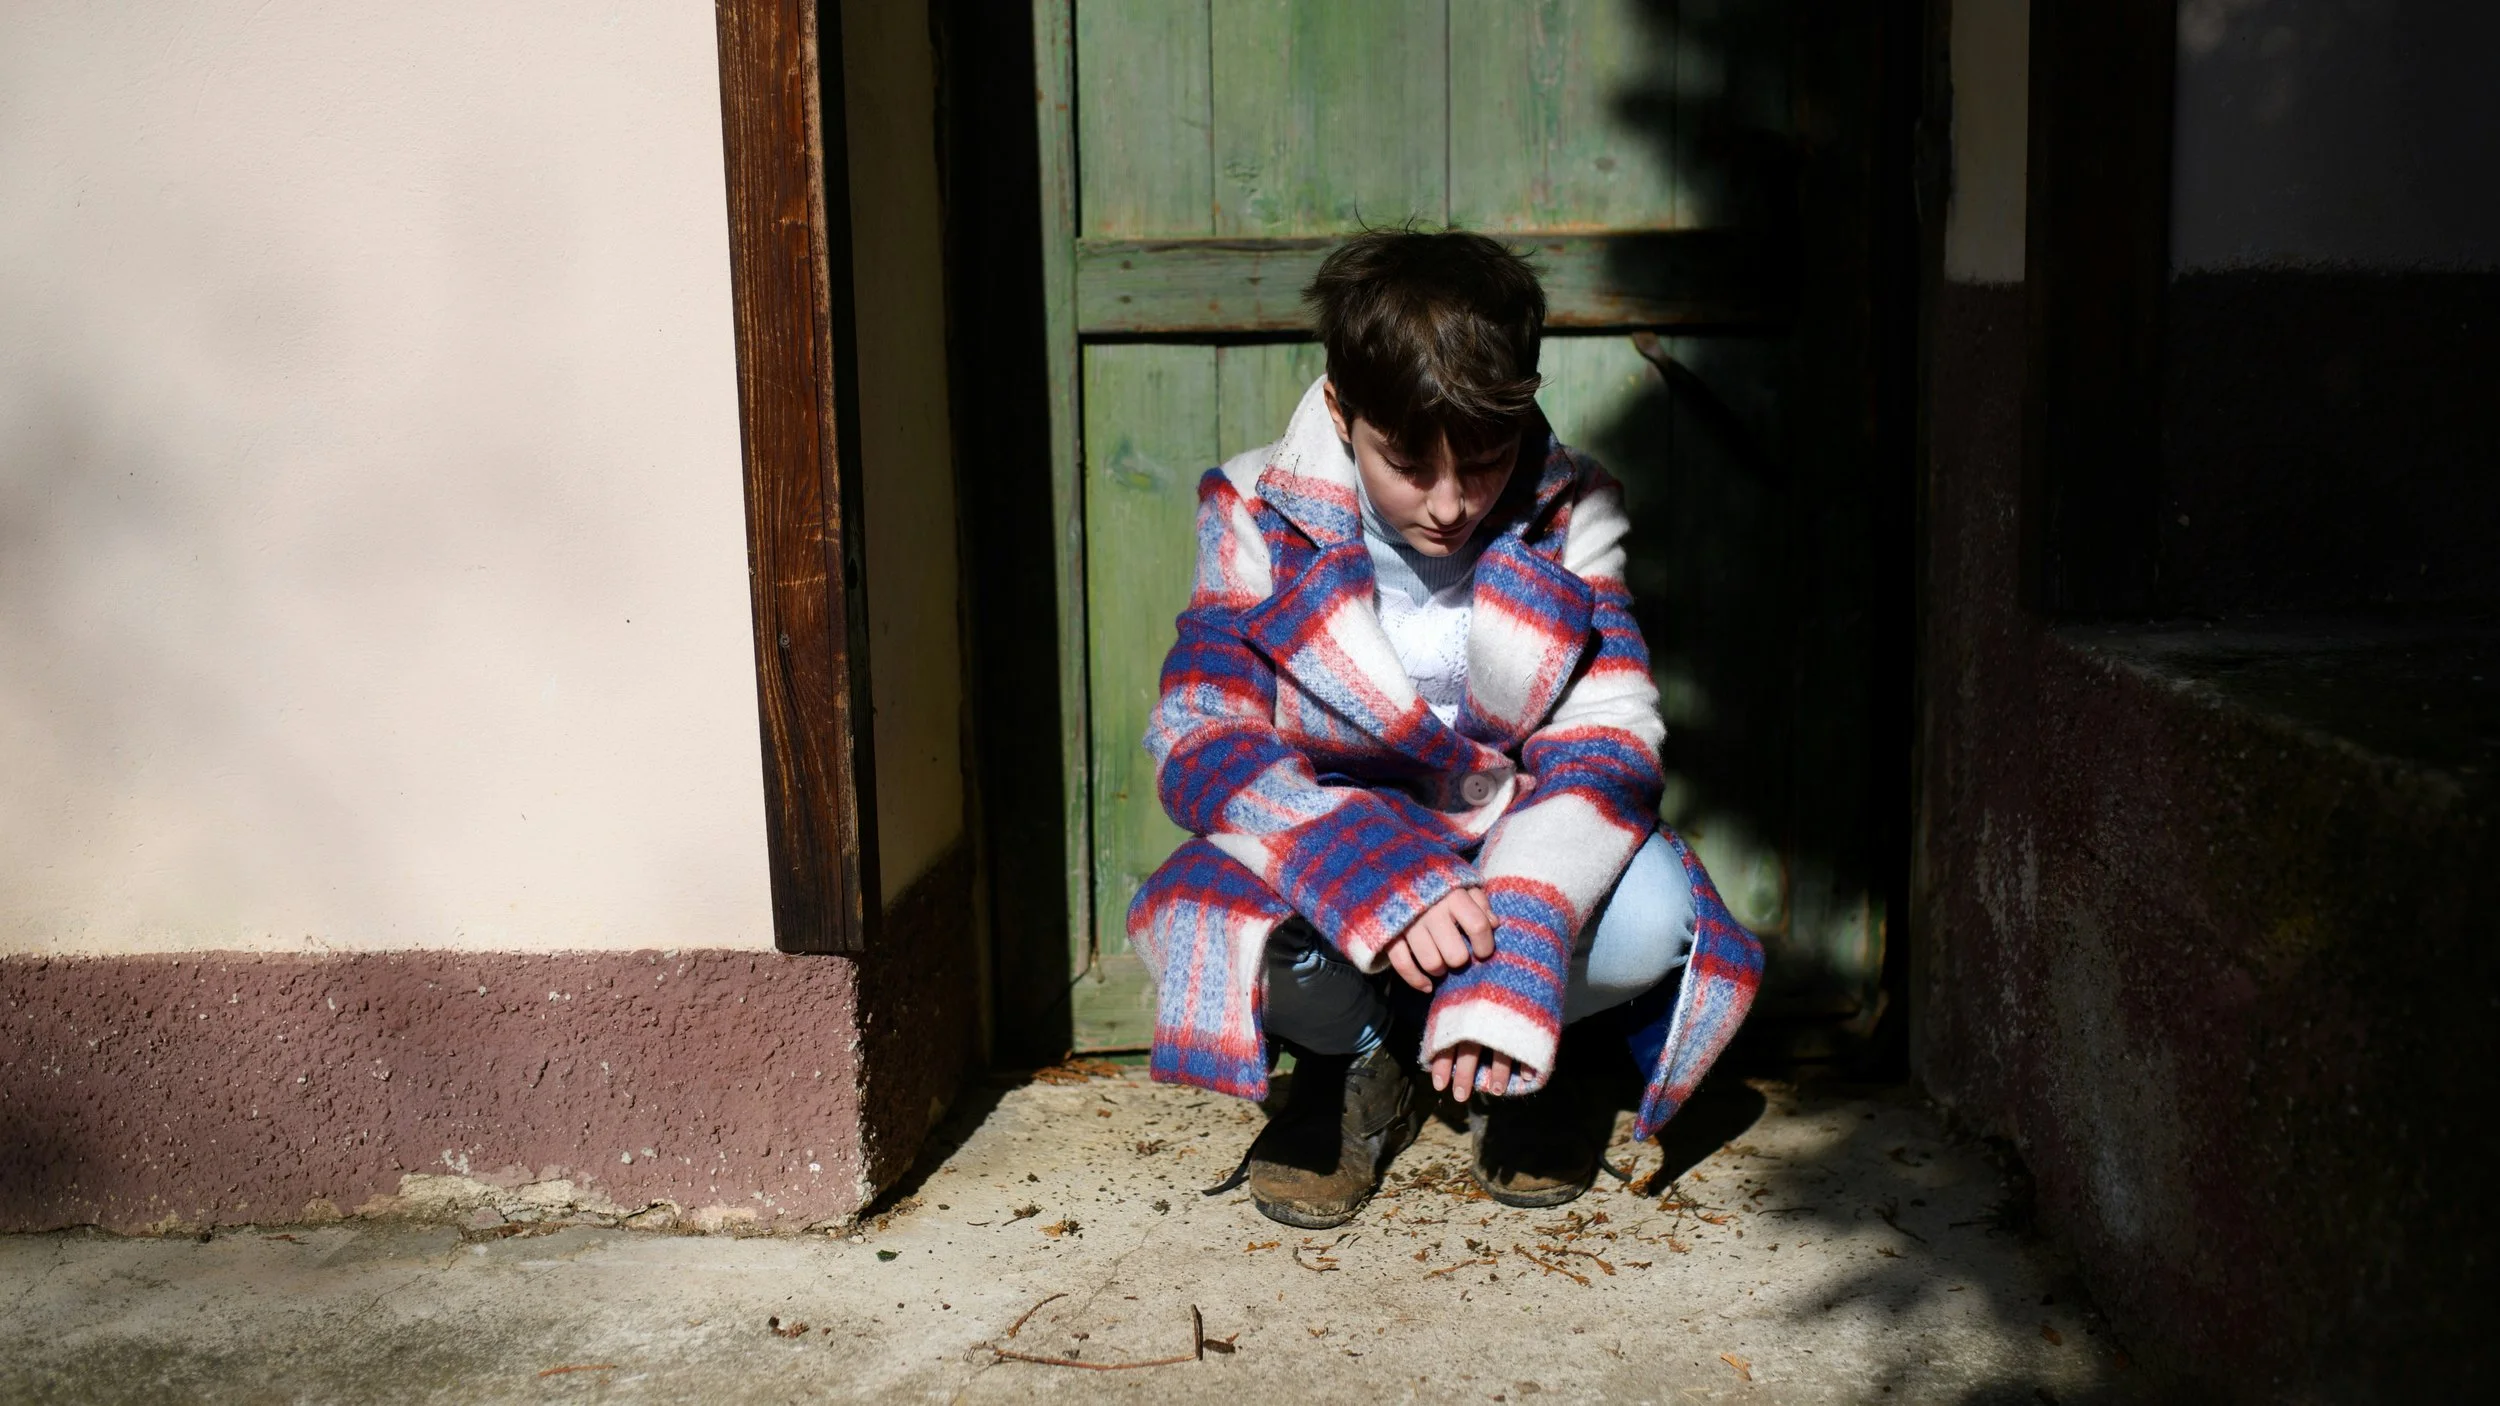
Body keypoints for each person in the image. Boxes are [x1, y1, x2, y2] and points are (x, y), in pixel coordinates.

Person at [1126, 227, 1762, 1230]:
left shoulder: (1570, 507)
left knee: (1652, 921)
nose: (1452, 501)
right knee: (1213, 918)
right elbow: (1202, 727)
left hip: (1519, 828)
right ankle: (1360, 1056)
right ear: (1341, 410)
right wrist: (1368, 870)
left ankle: (1531, 1047)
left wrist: (1521, 931)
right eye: (1407, 462)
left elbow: (1609, 735)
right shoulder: (1252, 504)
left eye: (1484, 459)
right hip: (1336, 829)